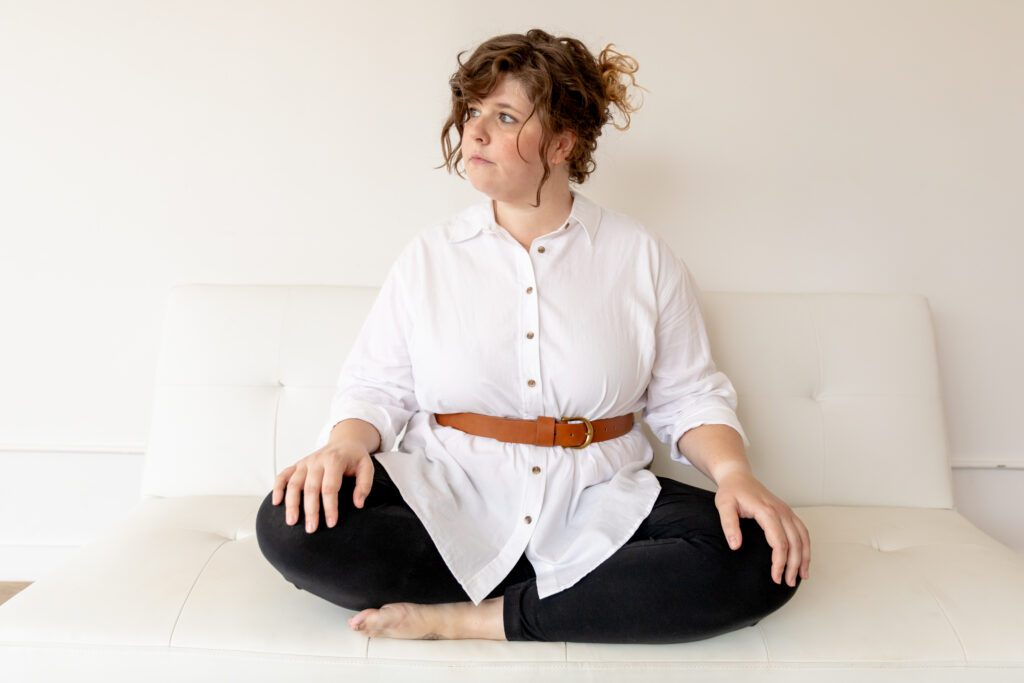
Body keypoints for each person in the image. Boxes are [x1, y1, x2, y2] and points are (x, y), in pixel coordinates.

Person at [255, 28, 810, 644]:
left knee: (762, 556)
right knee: (289, 524)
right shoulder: (429, 256)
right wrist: (345, 446)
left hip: (598, 500)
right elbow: (377, 387)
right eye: (473, 112)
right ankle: (572, 598)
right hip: (451, 499)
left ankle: (474, 617)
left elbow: (689, 396)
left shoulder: (641, 257)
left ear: (562, 143)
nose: (475, 131)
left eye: (505, 115)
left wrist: (734, 475)